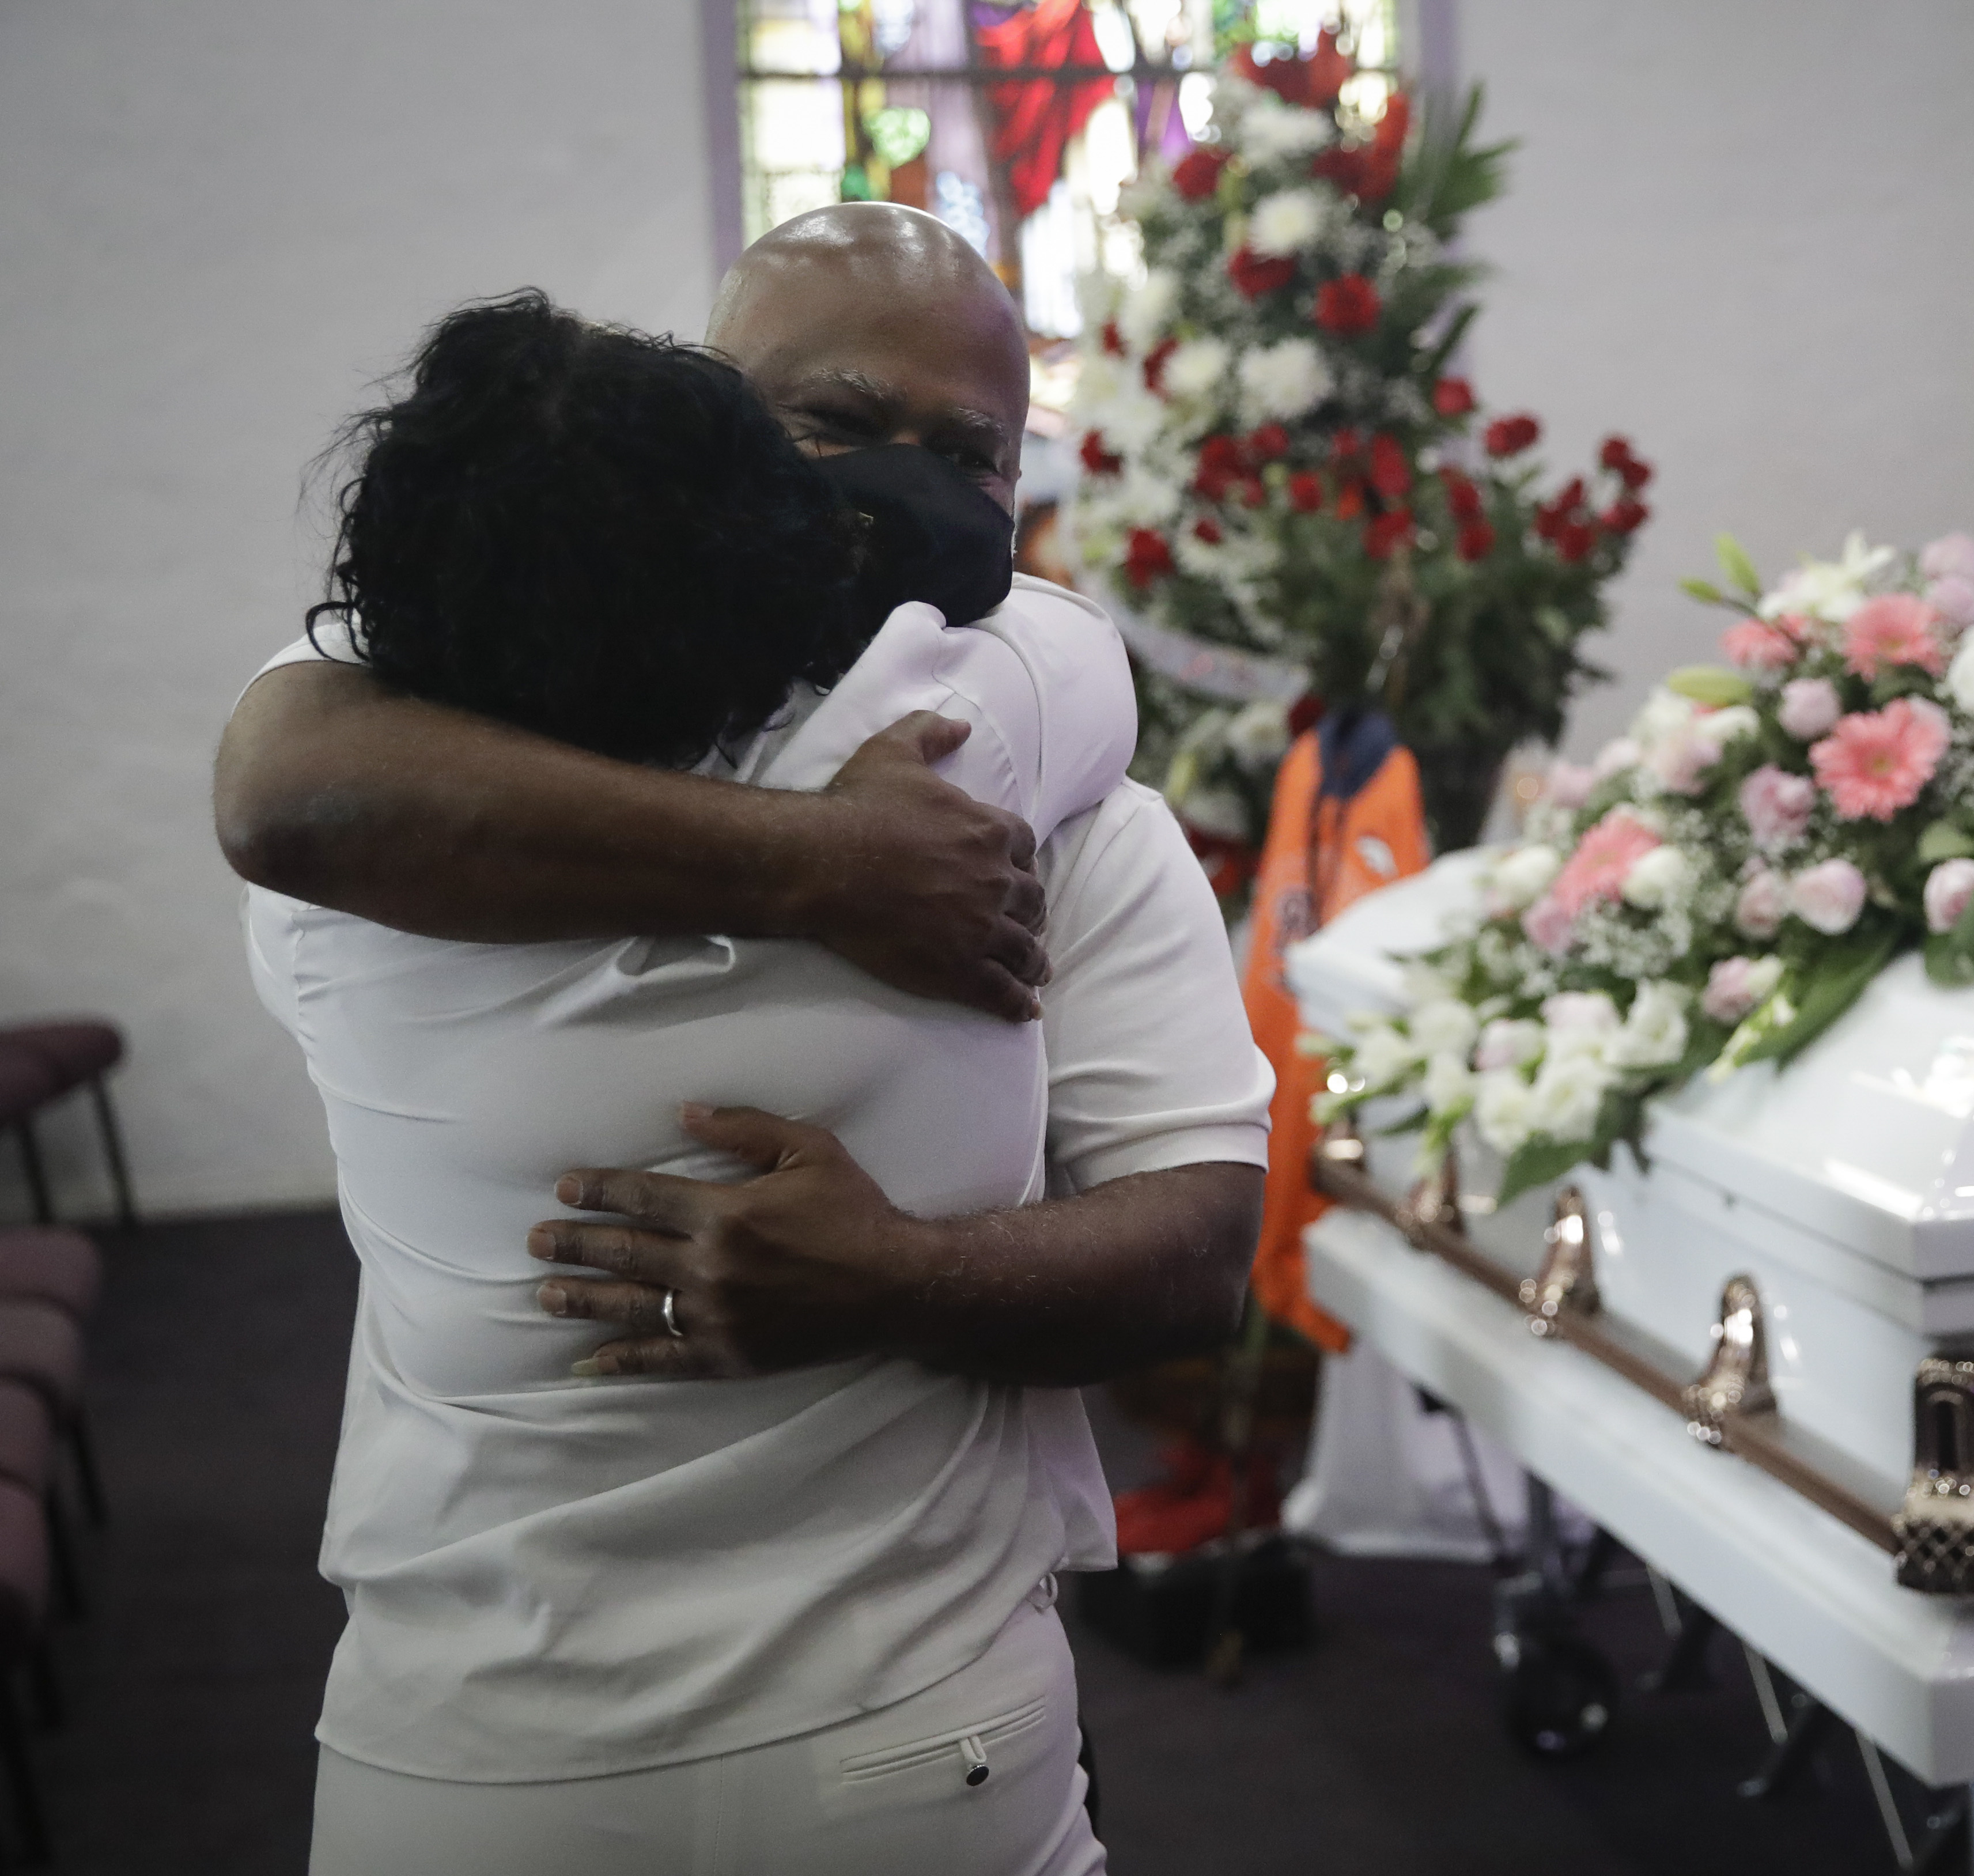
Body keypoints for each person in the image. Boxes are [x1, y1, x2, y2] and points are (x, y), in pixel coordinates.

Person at [220, 220, 1272, 1873]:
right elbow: (1069, 650)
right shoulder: (1004, 766)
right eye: (835, 427)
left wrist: (897, 1279)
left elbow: (1200, 1251)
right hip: (812, 1732)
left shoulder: (360, 846)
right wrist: (818, 863)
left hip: (576, 1735)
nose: (897, 492)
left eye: (964, 455)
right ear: (707, 418)